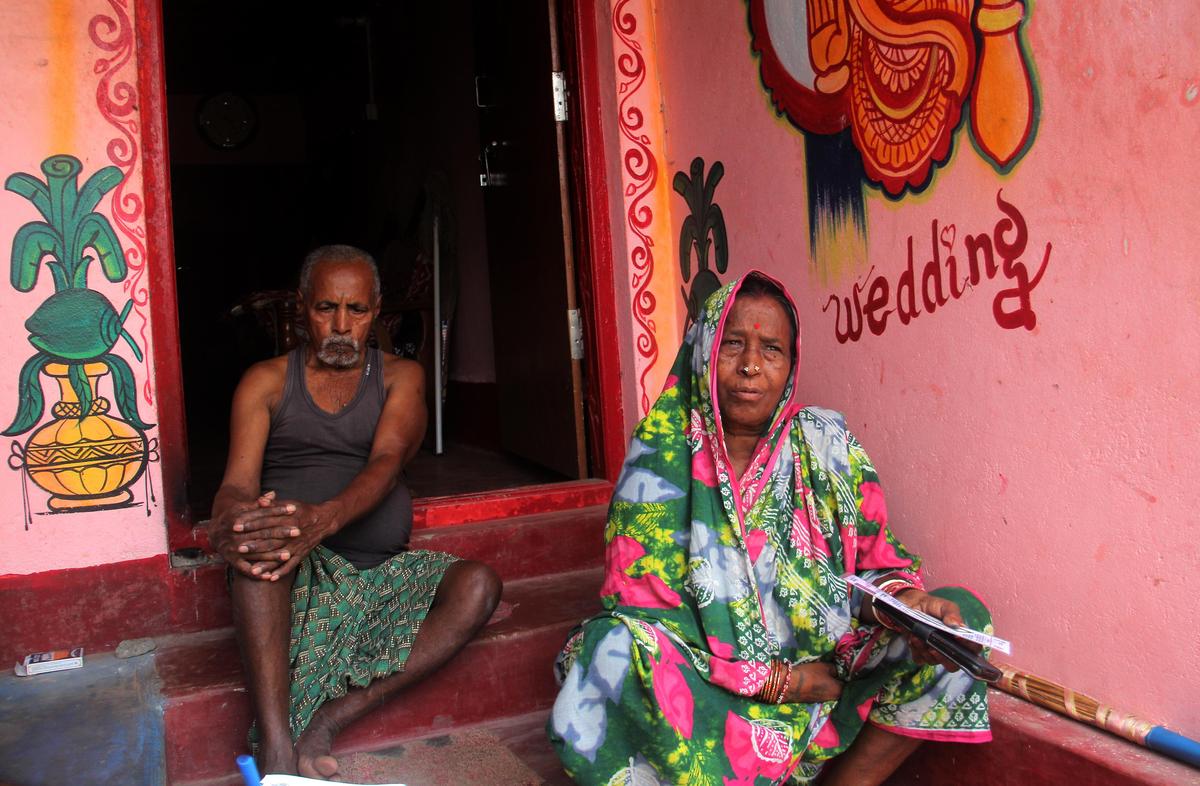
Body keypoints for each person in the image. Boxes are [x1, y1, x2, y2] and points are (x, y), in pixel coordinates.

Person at [548, 271, 992, 785]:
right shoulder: (663, 447)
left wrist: (908, 606)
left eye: (772, 350)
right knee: (609, 650)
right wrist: (784, 682)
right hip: (710, 691)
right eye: (733, 344)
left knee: (963, 626)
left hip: (826, 677)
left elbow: (872, 570)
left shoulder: (825, 443)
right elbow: (643, 609)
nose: (751, 366)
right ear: (703, 351)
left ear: (791, 362)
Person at [207, 244, 502, 779]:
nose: (341, 326)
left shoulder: (400, 377)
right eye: (326, 308)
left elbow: (388, 462)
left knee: (478, 585)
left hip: (380, 570)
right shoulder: (265, 381)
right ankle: (277, 749)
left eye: (357, 310)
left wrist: (322, 520)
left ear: (376, 311)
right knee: (261, 549)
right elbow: (236, 486)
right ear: (302, 307)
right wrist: (230, 523)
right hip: (296, 563)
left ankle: (326, 720)